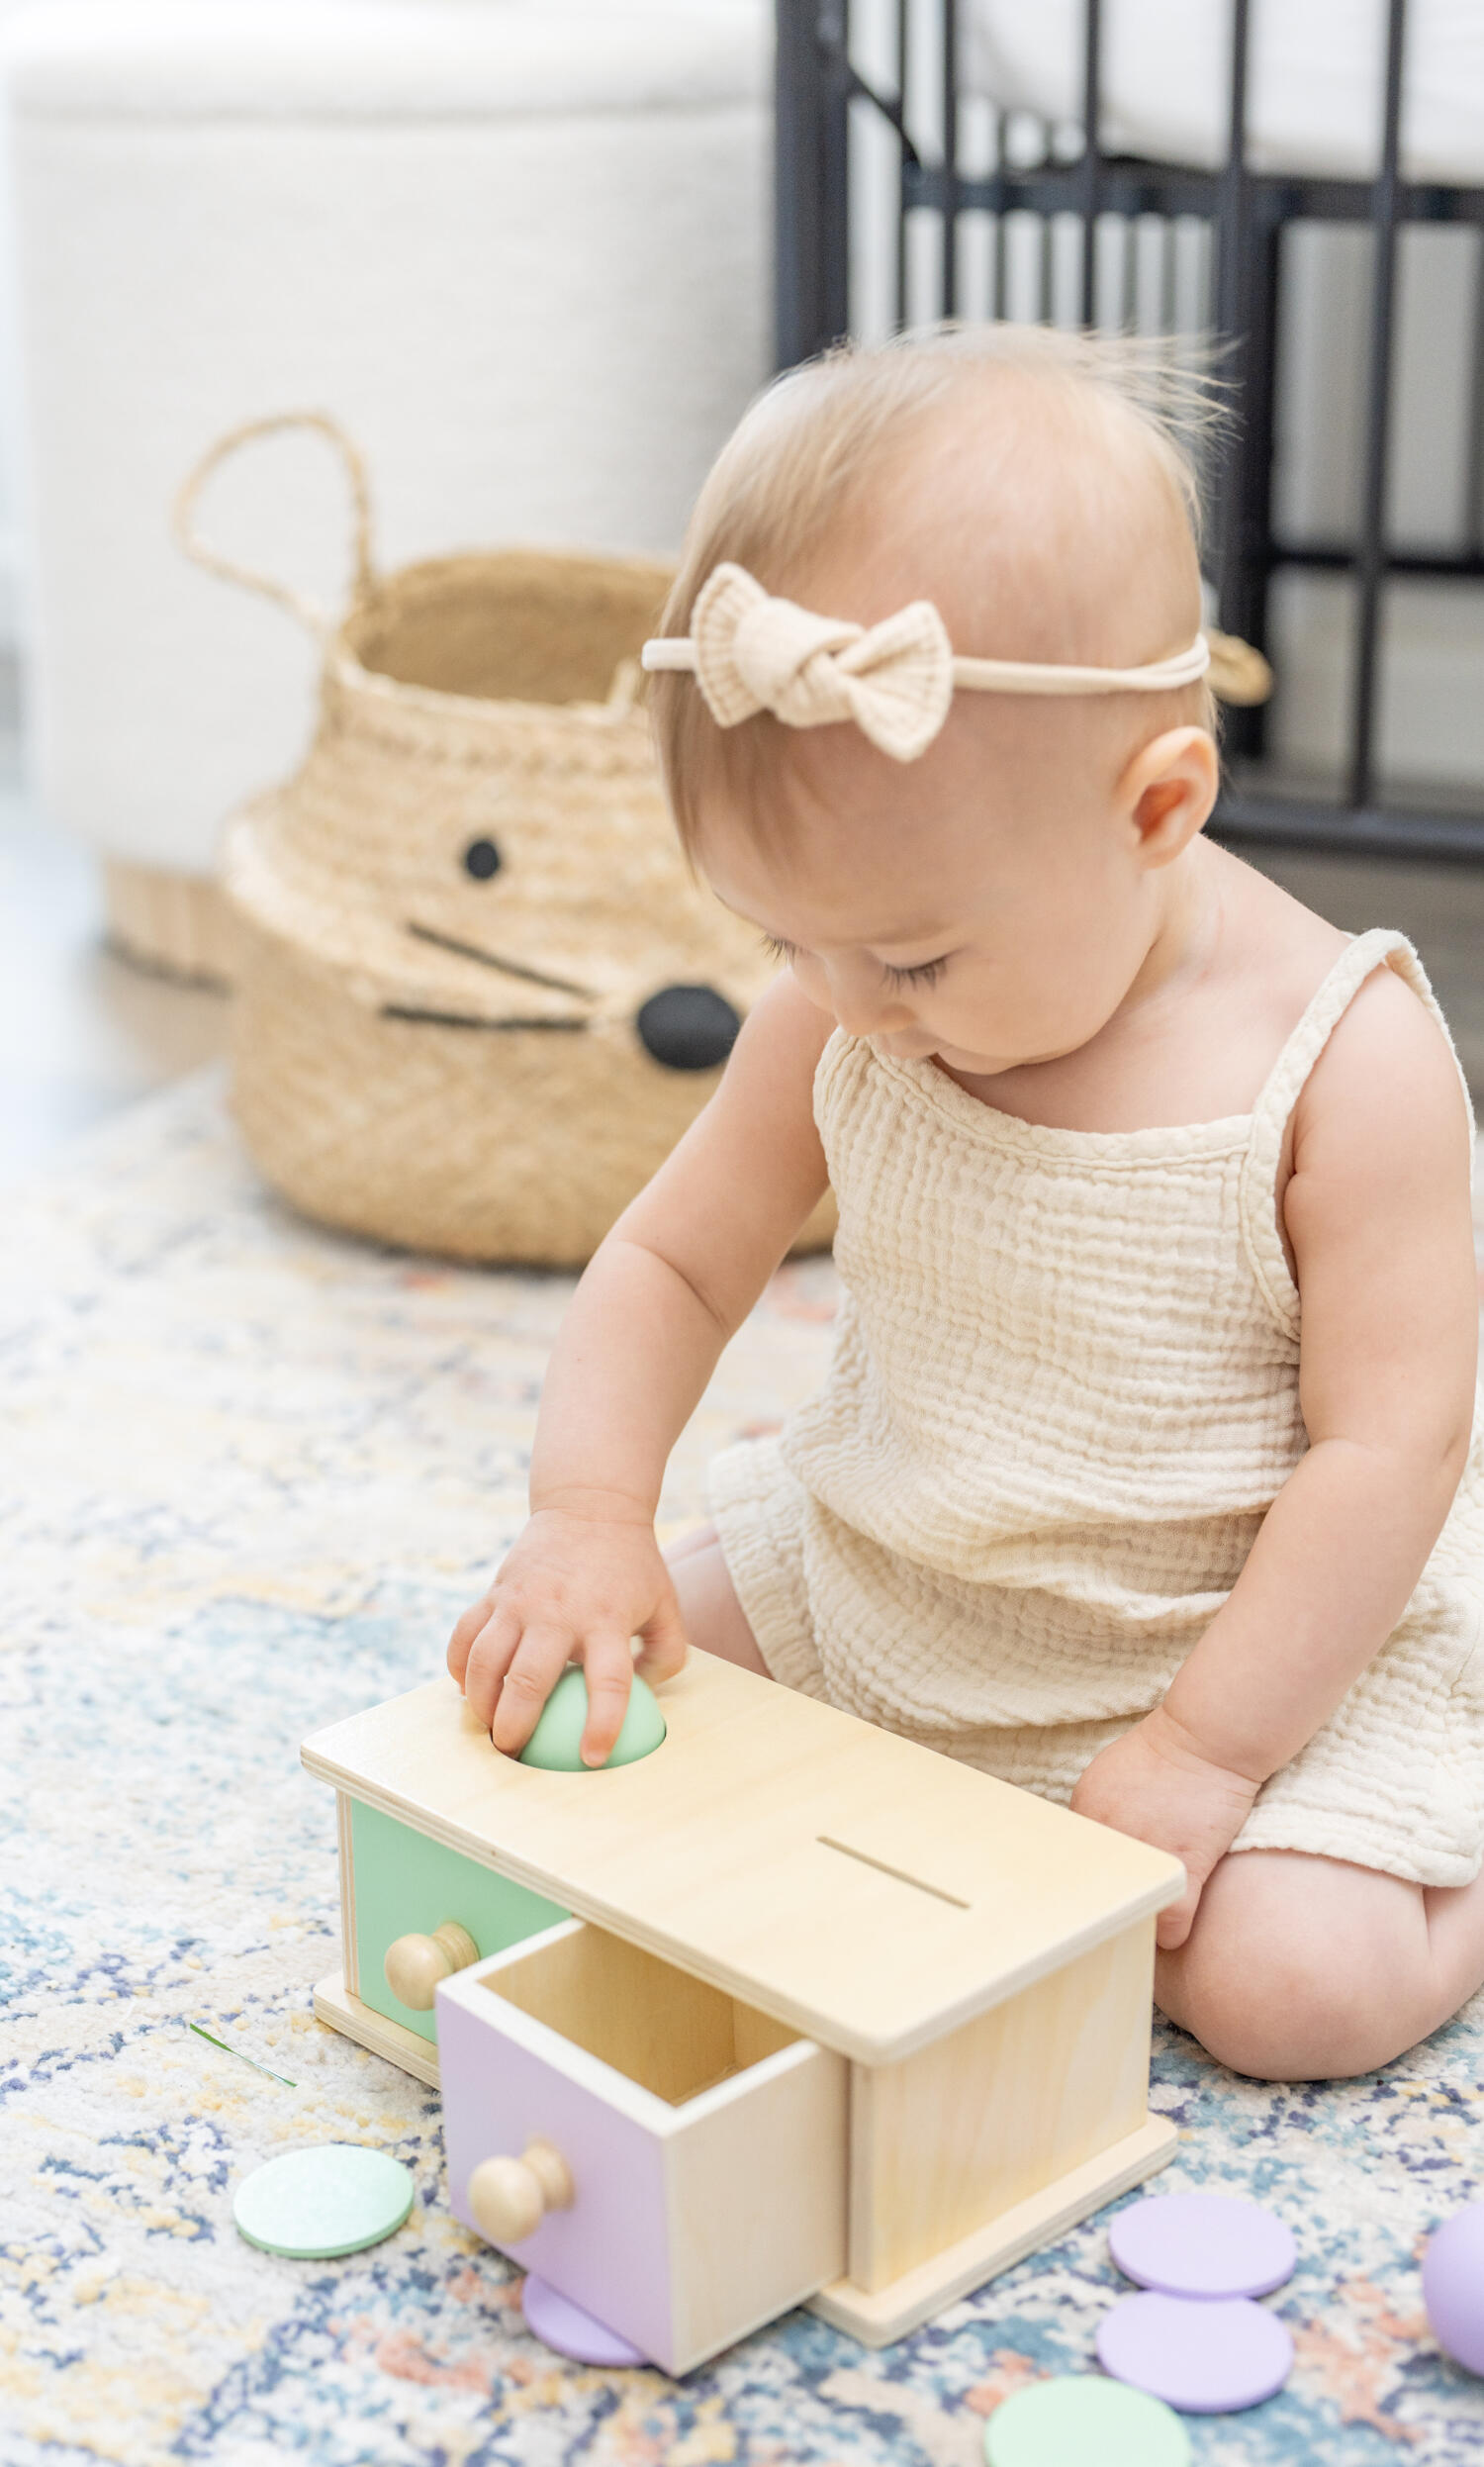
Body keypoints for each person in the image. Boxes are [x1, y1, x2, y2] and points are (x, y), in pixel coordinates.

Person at [448, 324, 1484, 2081]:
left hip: (1240, 1644)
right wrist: (589, 1510)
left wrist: (1211, 1751)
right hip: (898, 1574)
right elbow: (678, 1258)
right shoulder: (851, 999)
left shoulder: (1343, 1062)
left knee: (1290, 1992)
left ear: (1157, 807)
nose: (847, 1008)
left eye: (913, 954)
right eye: (786, 939)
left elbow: (1388, 1451)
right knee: (567, 1708)